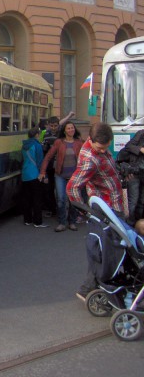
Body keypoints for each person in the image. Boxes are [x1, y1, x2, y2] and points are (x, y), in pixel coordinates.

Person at [66, 122, 125, 300]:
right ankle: (91, 287)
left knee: (110, 249)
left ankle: (95, 285)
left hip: (113, 205)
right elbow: (72, 188)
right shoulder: (89, 159)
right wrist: (86, 211)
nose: (102, 151)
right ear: (91, 140)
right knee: (108, 250)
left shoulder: (98, 147)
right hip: (106, 210)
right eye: (100, 148)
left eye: (105, 148)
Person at [38, 121, 84, 232]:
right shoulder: (59, 142)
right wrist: (42, 171)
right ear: (64, 130)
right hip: (60, 175)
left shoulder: (79, 143)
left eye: (72, 128)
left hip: (74, 177)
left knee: (73, 200)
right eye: (68, 128)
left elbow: (87, 157)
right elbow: (48, 157)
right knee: (61, 199)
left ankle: (72, 222)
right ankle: (62, 222)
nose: (71, 130)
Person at [40, 111, 75, 216]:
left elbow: (62, 123)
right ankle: (54, 210)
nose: (53, 128)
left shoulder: (61, 133)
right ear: (48, 125)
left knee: (61, 190)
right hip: (50, 165)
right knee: (49, 189)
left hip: (60, 165)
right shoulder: (45, 133)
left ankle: (65, 211)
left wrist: (69, 115)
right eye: (51, 126)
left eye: (55, 126)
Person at [21, 127, 48, 227]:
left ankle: (27, 220)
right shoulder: (37, 145)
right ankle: (38, 221)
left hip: (25, 174)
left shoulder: (24, 145)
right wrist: (44, 175)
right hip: (35, 174)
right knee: (37, 198)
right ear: (37, 135)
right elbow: (40, 161)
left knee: (26, 198)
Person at [118, 129, 144, 225]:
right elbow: (128, 146)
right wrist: (141, 149)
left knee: (142, 201)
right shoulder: (141, 133)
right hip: (135, 172)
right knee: (133, 200)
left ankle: (138, 224)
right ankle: (129, 224)